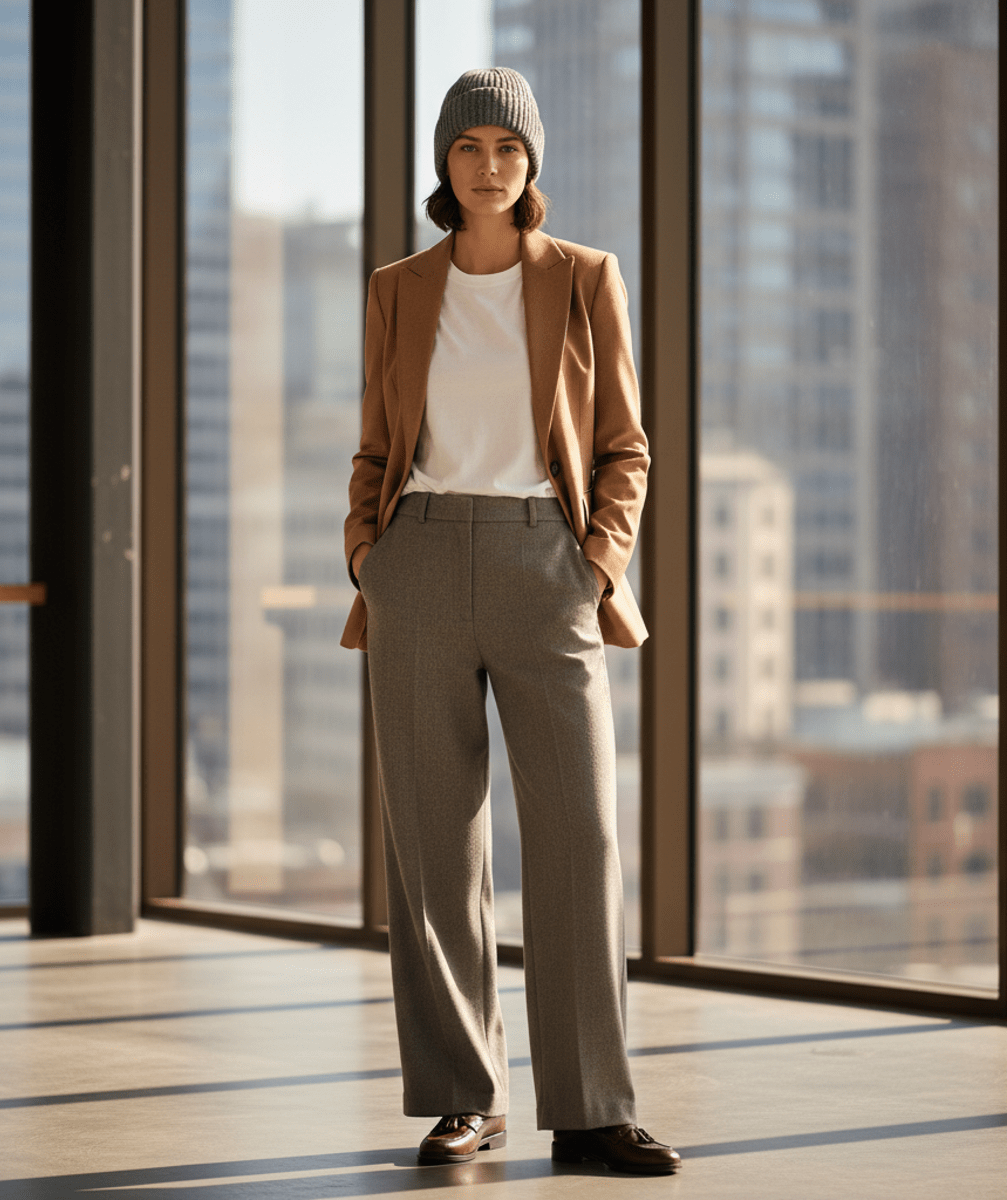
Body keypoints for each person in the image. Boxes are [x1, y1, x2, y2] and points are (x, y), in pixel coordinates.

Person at [341, 68, 679, 1176]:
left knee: (579, 838)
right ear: (444, 164)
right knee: (435, 848)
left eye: (507, 146)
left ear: (532, 163)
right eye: (468, 146)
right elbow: (377, 447)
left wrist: (594, 566)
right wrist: (367, 555)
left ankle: (589, 1108)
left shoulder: (584, 278)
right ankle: (461, 1098)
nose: (489, 165)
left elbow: (625, 443)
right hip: (420, 560)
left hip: (548, 563)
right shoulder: (399, 287)